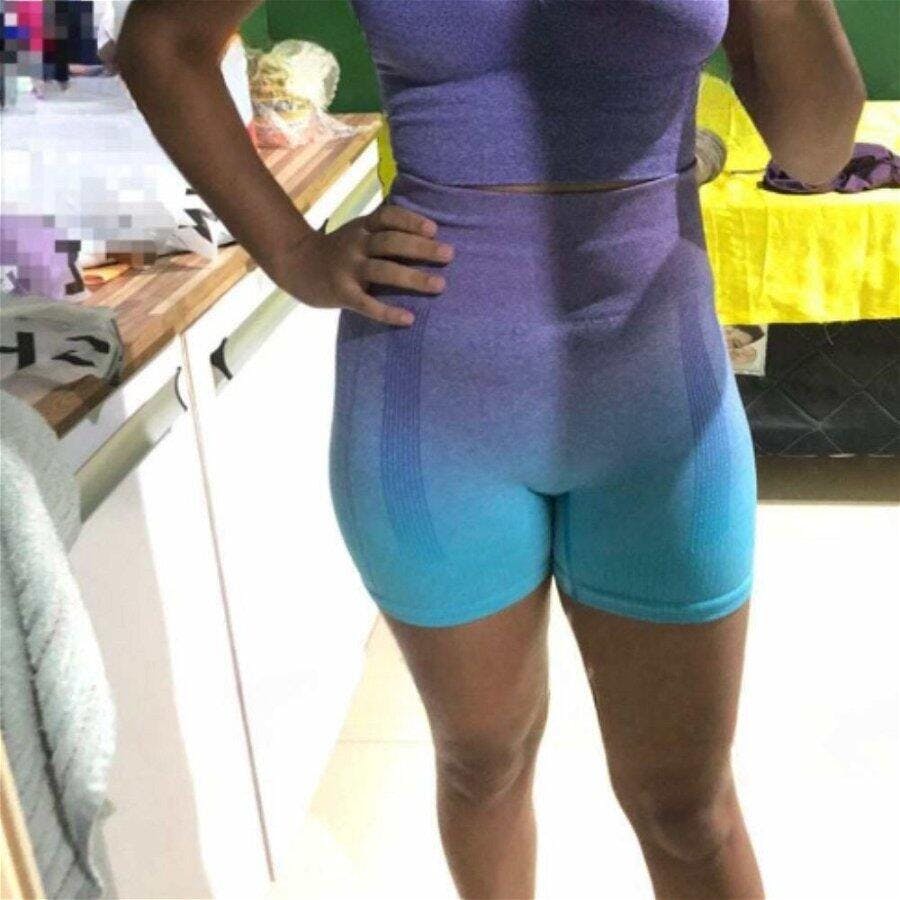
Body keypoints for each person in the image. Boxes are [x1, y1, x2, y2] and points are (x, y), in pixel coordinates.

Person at [116, 2, 865, 897]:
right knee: (483, 764)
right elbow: (164, 42)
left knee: (687, 807)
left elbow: (817, 153)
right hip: (436, 395)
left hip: (655, 397)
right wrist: (296, 257)